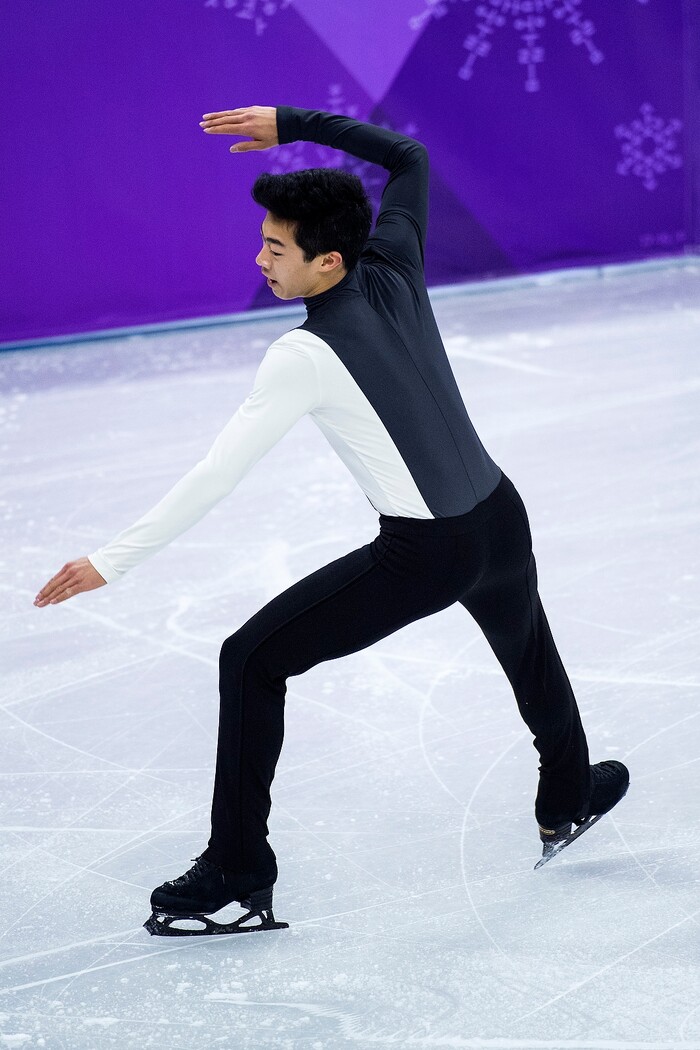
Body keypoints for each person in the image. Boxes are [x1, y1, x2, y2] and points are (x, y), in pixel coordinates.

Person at [35, 105, 628, 932]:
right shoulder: (396, 264)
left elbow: (217, 474)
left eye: (276, 250)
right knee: (529, 652)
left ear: (328, 261)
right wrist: (293, 126)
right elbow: (409, 157)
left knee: (249, 661)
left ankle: (239, 867)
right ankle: (567, 796)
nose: (261, 260)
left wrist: (112, 559)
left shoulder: (302, 356)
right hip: (501, 514)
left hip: (428, 553)